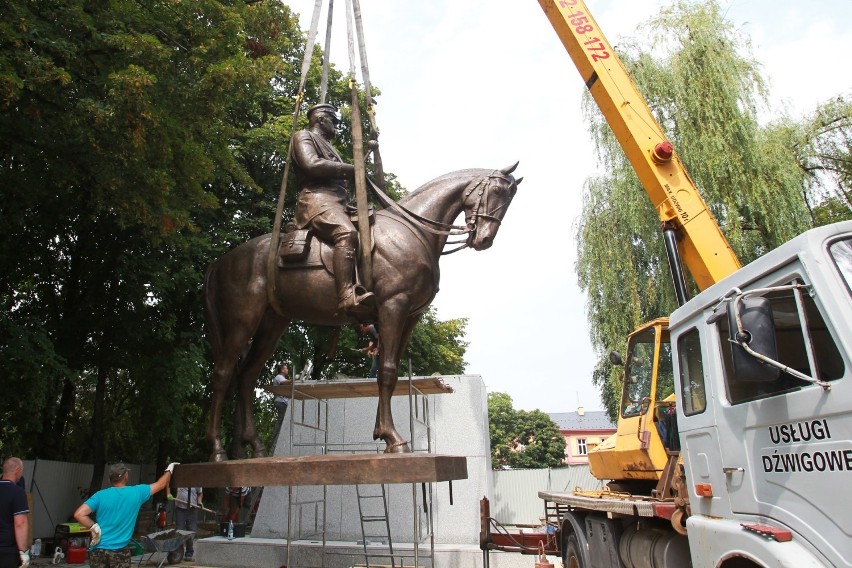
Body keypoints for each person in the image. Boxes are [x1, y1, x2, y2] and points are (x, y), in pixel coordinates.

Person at [292, 103, 374, 314]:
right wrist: (351, 169)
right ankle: (346, 295)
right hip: (316, 200)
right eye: (334, 121)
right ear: (320, 119)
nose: (337, 126)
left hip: (339, 202)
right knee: (346, 232)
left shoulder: (331, 148)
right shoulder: (303, 136)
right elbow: (312, 164)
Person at [74, 462, 177, 568]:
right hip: (120, 552)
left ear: (110, 479)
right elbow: (161, 484)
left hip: (98, 551)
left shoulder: (100, 496)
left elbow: (79, 514)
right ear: (126, 476)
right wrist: (169, 469)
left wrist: (94, 527)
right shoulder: (137, 492)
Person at [0, 458, 30, 568]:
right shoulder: (17, 492)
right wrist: (23, 552)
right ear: (17, 471)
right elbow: (20, 523)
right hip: (7, 551)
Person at [166, 486, 202, 561]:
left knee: (191, 531)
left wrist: (199, 502)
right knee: (179, 531)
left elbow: (200, 493)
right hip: (180, 508)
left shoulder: (197, 479)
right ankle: (178, 553)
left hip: (192, 508)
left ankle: (189, 553)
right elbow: (168, 483)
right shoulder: (179, 478)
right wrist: (168, 493)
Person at [272, 364, 290, 430]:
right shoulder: (279, 377)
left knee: (283, 420)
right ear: (282, 370)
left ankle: (278, 437)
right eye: (286, 368)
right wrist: (292, 380)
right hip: (281, 401)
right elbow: (283, 383)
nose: (287, 370)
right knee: (281, 421)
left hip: (283, 402)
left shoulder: (283, 378)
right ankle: (276, 439)